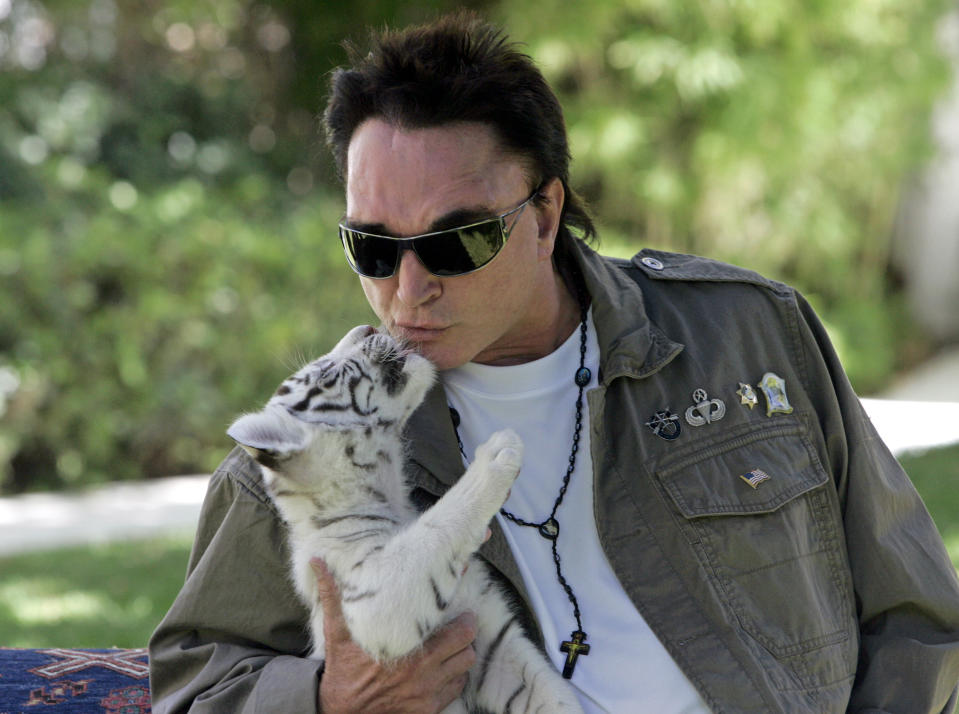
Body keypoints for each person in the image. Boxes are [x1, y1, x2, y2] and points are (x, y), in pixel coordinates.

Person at [149, 11, 959, 713]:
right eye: (372, 246)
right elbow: (192, 683)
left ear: (545, 212)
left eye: (454, 240)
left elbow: (915, 613)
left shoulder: (748, 335)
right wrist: (330, 702)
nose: (408, 288)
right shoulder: (313, 450)